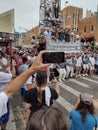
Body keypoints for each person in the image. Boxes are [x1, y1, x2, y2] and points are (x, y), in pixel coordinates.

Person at [0, 50, 49, 118]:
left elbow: (8, 91)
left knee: (23, 96)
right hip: (25, 87)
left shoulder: (21, 67)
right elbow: (8, 90)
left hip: (22, 85)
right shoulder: (28, 72)